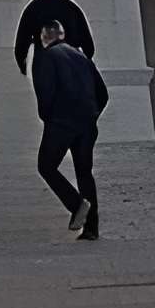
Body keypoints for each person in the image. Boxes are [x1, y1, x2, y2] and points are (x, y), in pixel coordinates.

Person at [29, 15, 108, 240]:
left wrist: (49, 117)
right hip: (86, 123)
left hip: (62, 123)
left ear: (44, 38)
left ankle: (76, 205)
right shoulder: (81, 56)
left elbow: (46, 93)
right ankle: (92, 228)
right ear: (62, 35)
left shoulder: (48, 57)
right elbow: (102, 93)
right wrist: (91, 115)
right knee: (84, 173)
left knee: (46, 166)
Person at [14, 0, 92, 68]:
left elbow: (21, 42)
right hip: (71, 62)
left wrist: (23, 66)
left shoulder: (31, 9)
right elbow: (87, 40)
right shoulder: (71, 7)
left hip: (44, 63)